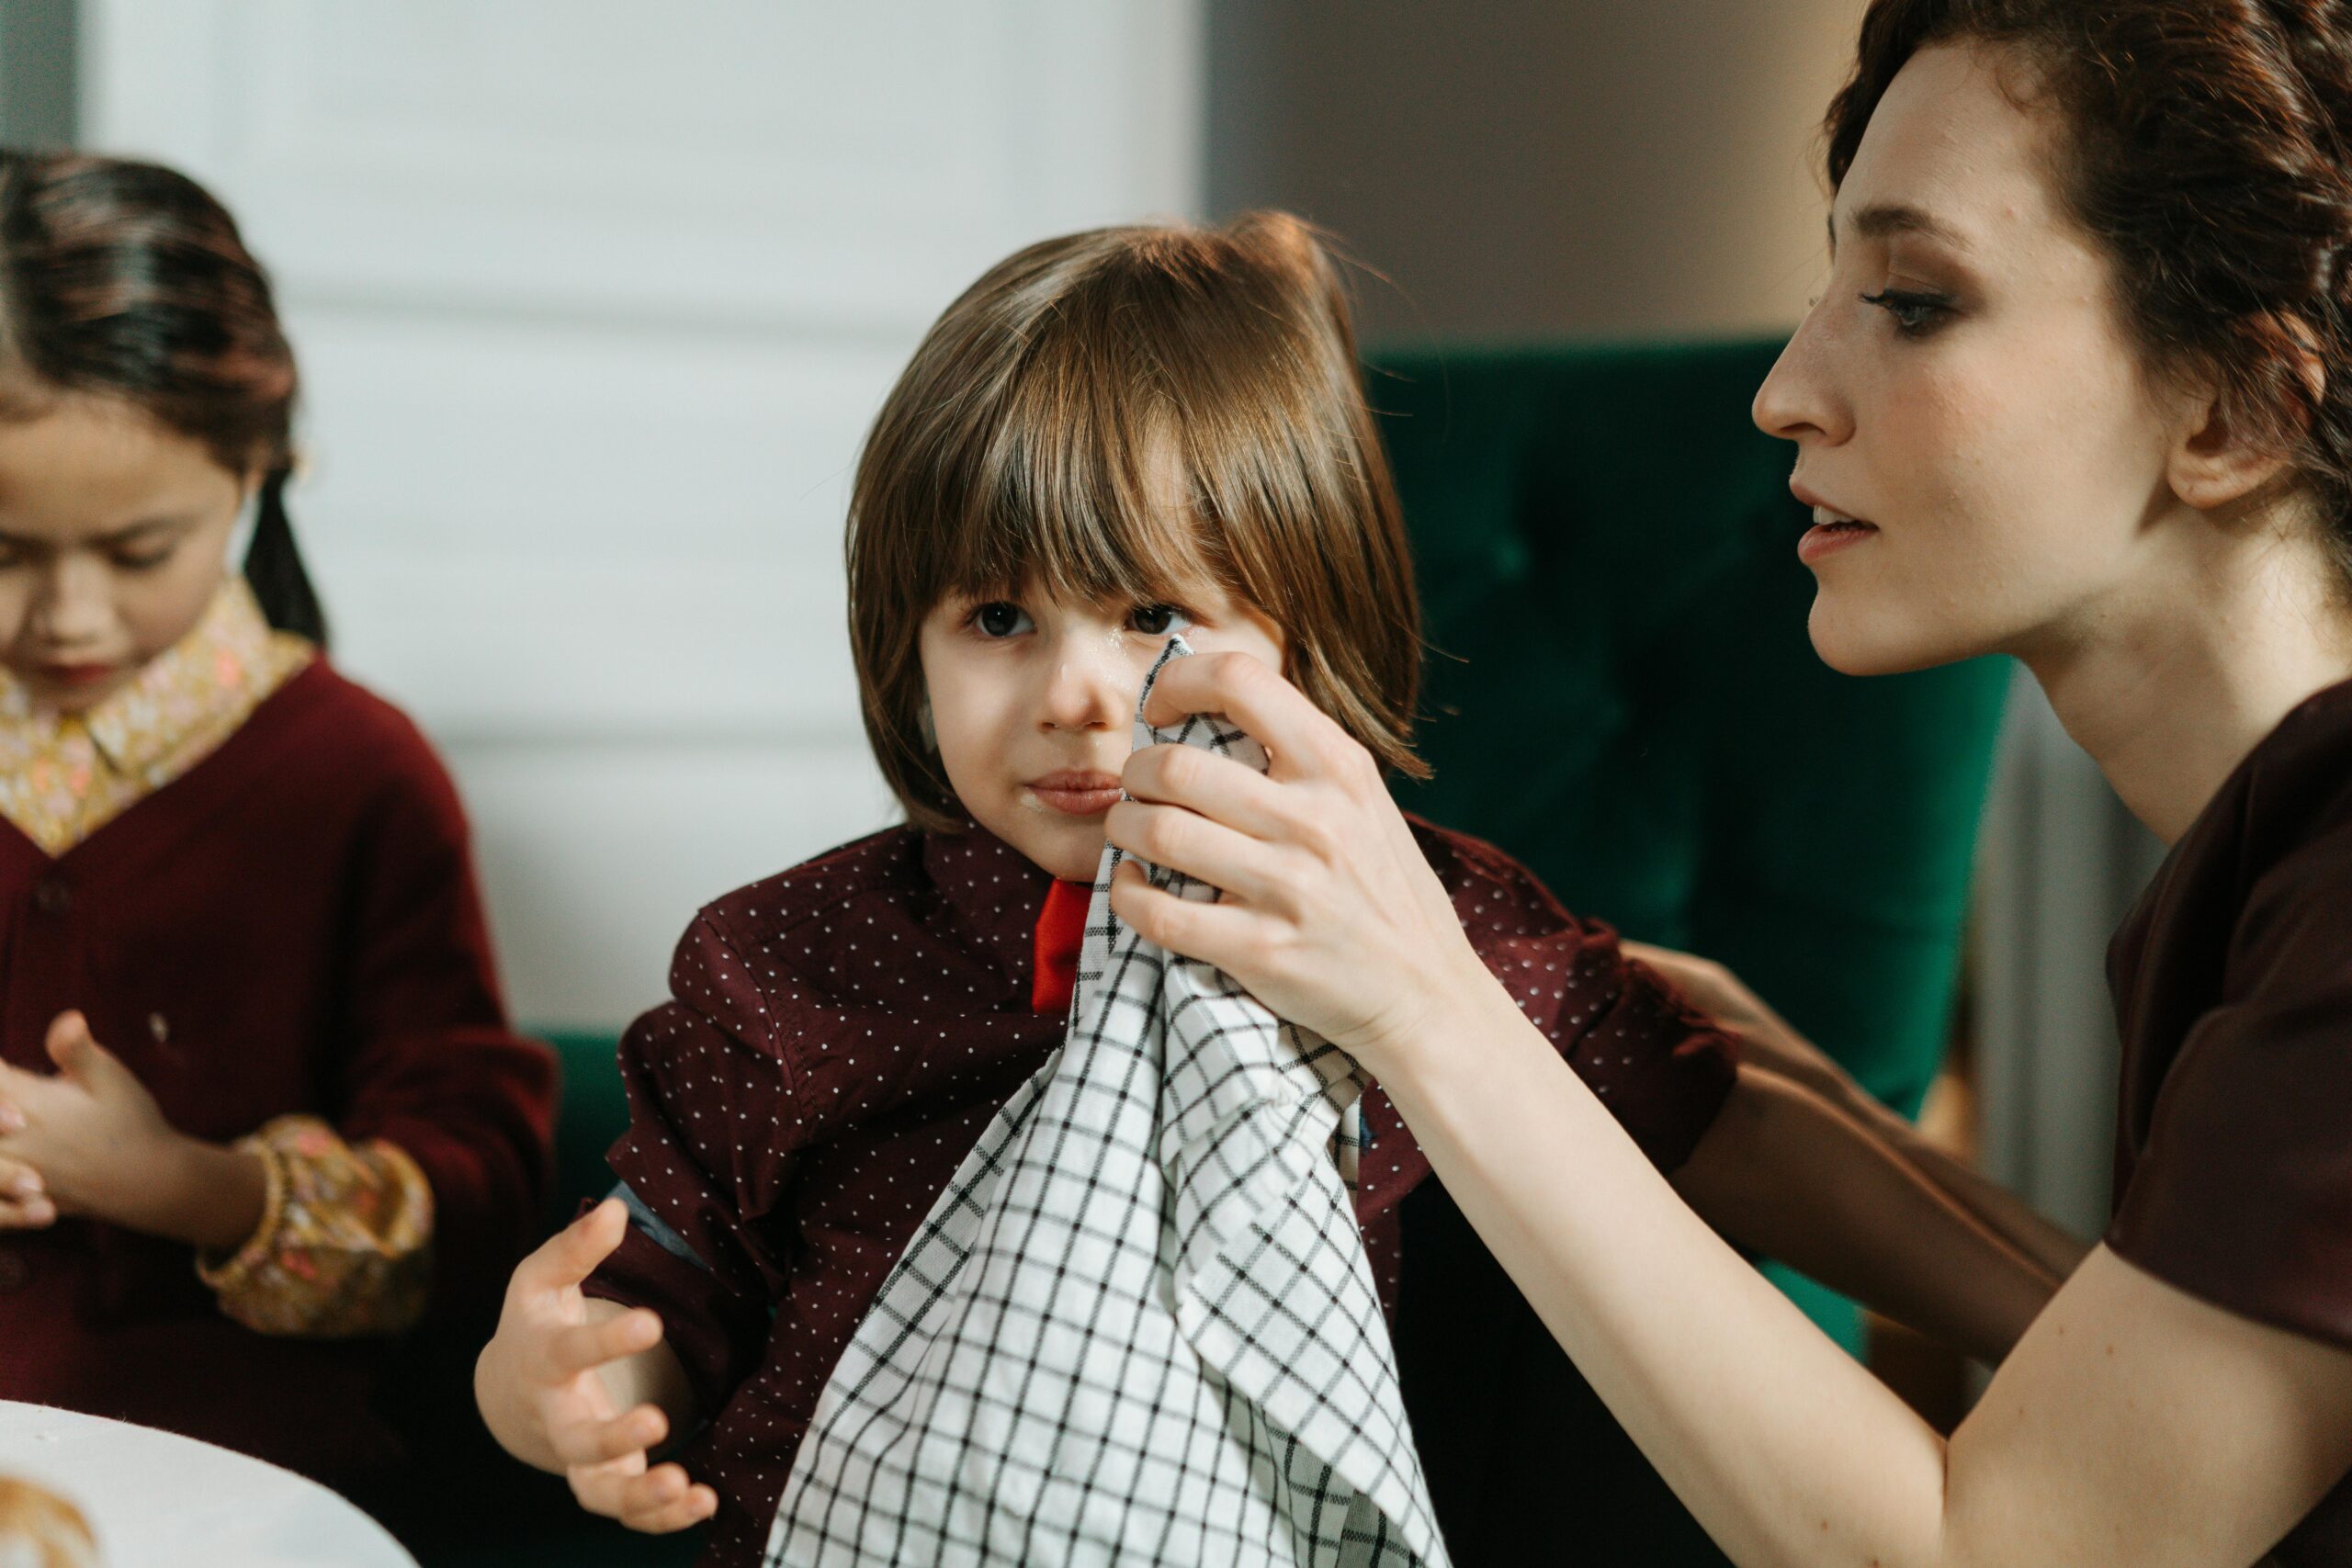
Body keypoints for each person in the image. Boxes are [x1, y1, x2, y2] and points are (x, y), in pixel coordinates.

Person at [475, 212, 2063, 1566]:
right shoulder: (793, 954)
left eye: (1150, 609)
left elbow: (1727, 1115)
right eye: (996, 620)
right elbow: (656, 1282)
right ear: (907, 640)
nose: (1077, 695)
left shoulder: (1407, 919)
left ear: (1303, 629)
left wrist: (2057, 1316)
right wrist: (563, 1391)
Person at [1101, 5, 2352, 1564]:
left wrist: (1430, 1007)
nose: (1785, 390)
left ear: (2235, 411)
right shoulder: (2261, 883)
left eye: (1910, 299)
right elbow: (2176, 1430)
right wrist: (1782, 1096)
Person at [0, 152, 556, 1492]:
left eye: (140, 553)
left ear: (259, 471)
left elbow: (474, 1196)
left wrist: (180, 1185)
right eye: (3, 553)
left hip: (216, 1480)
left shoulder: (357, 775)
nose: (71, 618)